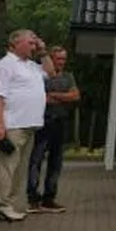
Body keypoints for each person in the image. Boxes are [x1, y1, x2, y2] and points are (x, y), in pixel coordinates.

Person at [0, 29, 46, 223]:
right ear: (15, 43)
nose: (34, 45)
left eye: (35, 42)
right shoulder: (4, 66)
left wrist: (43, 51)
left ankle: (9, 203)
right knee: (6, 167)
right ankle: (0, 205)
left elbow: (51, 73)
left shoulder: (33, 66)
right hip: (12, 125)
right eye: (30, 42)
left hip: (30, 125)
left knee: (20, 169)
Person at [27, 44, 78, 214]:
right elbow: (41, 98)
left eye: (64, 59)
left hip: (61, 121)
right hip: (43, 121)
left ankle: (49, 197)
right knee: (36, 159)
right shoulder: (40, 75)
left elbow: (75, 96)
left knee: (56, 161)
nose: (61, 62)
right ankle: (33, 197)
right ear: (51, 58)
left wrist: (55, 96)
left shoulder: (68, 76)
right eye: (58, 58)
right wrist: (61, 97)